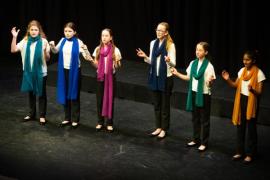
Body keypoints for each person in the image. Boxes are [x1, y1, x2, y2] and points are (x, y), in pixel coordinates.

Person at [221, 50, 266, 163]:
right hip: (241, 100)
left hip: (251, 102)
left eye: (248, 60)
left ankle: (251, 154)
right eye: (244, 59)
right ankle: (239, 152)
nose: (245, 62)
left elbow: (260, 92)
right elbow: (235, 85)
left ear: (253, 61)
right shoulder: (242, 71)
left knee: (251, 129)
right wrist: (227, 80)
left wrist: (253, 90)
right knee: (240, 128)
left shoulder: (259, 73)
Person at [171, 42, 215, 151]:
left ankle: (204, 142)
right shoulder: (193, 63)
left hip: (204, 95)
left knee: (204, 120)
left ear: (206, 52)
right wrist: (177, 74)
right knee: (195, 118)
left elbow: (210, 83)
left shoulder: (209, 66)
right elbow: (189, 78)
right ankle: (196, 139)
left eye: (200, 50)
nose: (197, 52)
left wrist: (210, 82)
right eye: (196, 49)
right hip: (194, 93)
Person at [136, 22, 176, 139]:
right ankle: (158, 127)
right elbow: (153, 62)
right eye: (157, 30)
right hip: (155, 77)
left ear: (166, 32)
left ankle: (164, 129)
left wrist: (168, 60)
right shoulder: (152, 43)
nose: (158, 32)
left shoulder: (170, 45)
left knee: (165, 105)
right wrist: (145, 57)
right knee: (157, 104)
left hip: (166, 78)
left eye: (161, 30)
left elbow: (173, 64)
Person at [49, 22, 92, 128]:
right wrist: (52, 46)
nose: (67, 33)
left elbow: (88, 58)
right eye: (66, 31)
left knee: (74, 95)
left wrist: (86, 49)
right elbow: (55, 51)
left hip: (75, 72)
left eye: (70, 31)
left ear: (74, 32)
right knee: (65, 93)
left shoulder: (78, 42)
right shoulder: (63, 40)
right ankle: (67, 118)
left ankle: (75, 119)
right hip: (64, 71)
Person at [11, 20, 50, 125]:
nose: (33, 31)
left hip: (41, 72)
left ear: (39, 31)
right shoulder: (24, 41)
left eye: (36, 30)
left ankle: (42, 116)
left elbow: (47, 59)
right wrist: (14, 37)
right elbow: (13, 50)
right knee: (31, 93)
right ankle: (31, 114)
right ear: (28, 30)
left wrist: (46, 52)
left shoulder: (43, 41)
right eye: (32, 29)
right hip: (29, 72)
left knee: (41, 94)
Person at [90, 28, 121, 133]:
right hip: (100, 77)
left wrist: (116, 61)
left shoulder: (115, 50)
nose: (104, 38)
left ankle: (110, 123)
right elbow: (96, 65)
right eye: (102, 35)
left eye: (106, 36)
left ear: (111, 37)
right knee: (99, 100)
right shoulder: (98, 49)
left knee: (109, 100)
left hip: (110, 78)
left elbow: (118, 65)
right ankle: (100, 122)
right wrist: (91, 61)